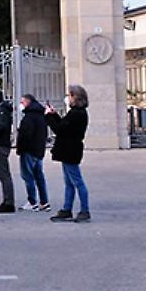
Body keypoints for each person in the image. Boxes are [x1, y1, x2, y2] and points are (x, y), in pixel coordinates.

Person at [46, 85, 90, 223]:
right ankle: (67, 209)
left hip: (70, 150)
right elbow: (64, 125)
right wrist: (54, 115)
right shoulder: (76, 112)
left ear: (75, 97)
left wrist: (48, 117)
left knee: (77, 181)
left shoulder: (77, 113)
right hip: (69, 149)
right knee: (69, 182)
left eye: (69, 95)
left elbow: (60, 129)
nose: (67, 98)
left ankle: (84, 210)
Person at [15, 94, 50, 212]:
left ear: (28, 103)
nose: (21, 105)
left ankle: (32, 201)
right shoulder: (41, 115)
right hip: (39, 150)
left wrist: (20, 149)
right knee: (39, 176)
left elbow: (25, 135)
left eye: (22, 102)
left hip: (29, 150)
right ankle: (44, 202)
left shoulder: (29, 117)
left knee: (28, 176)